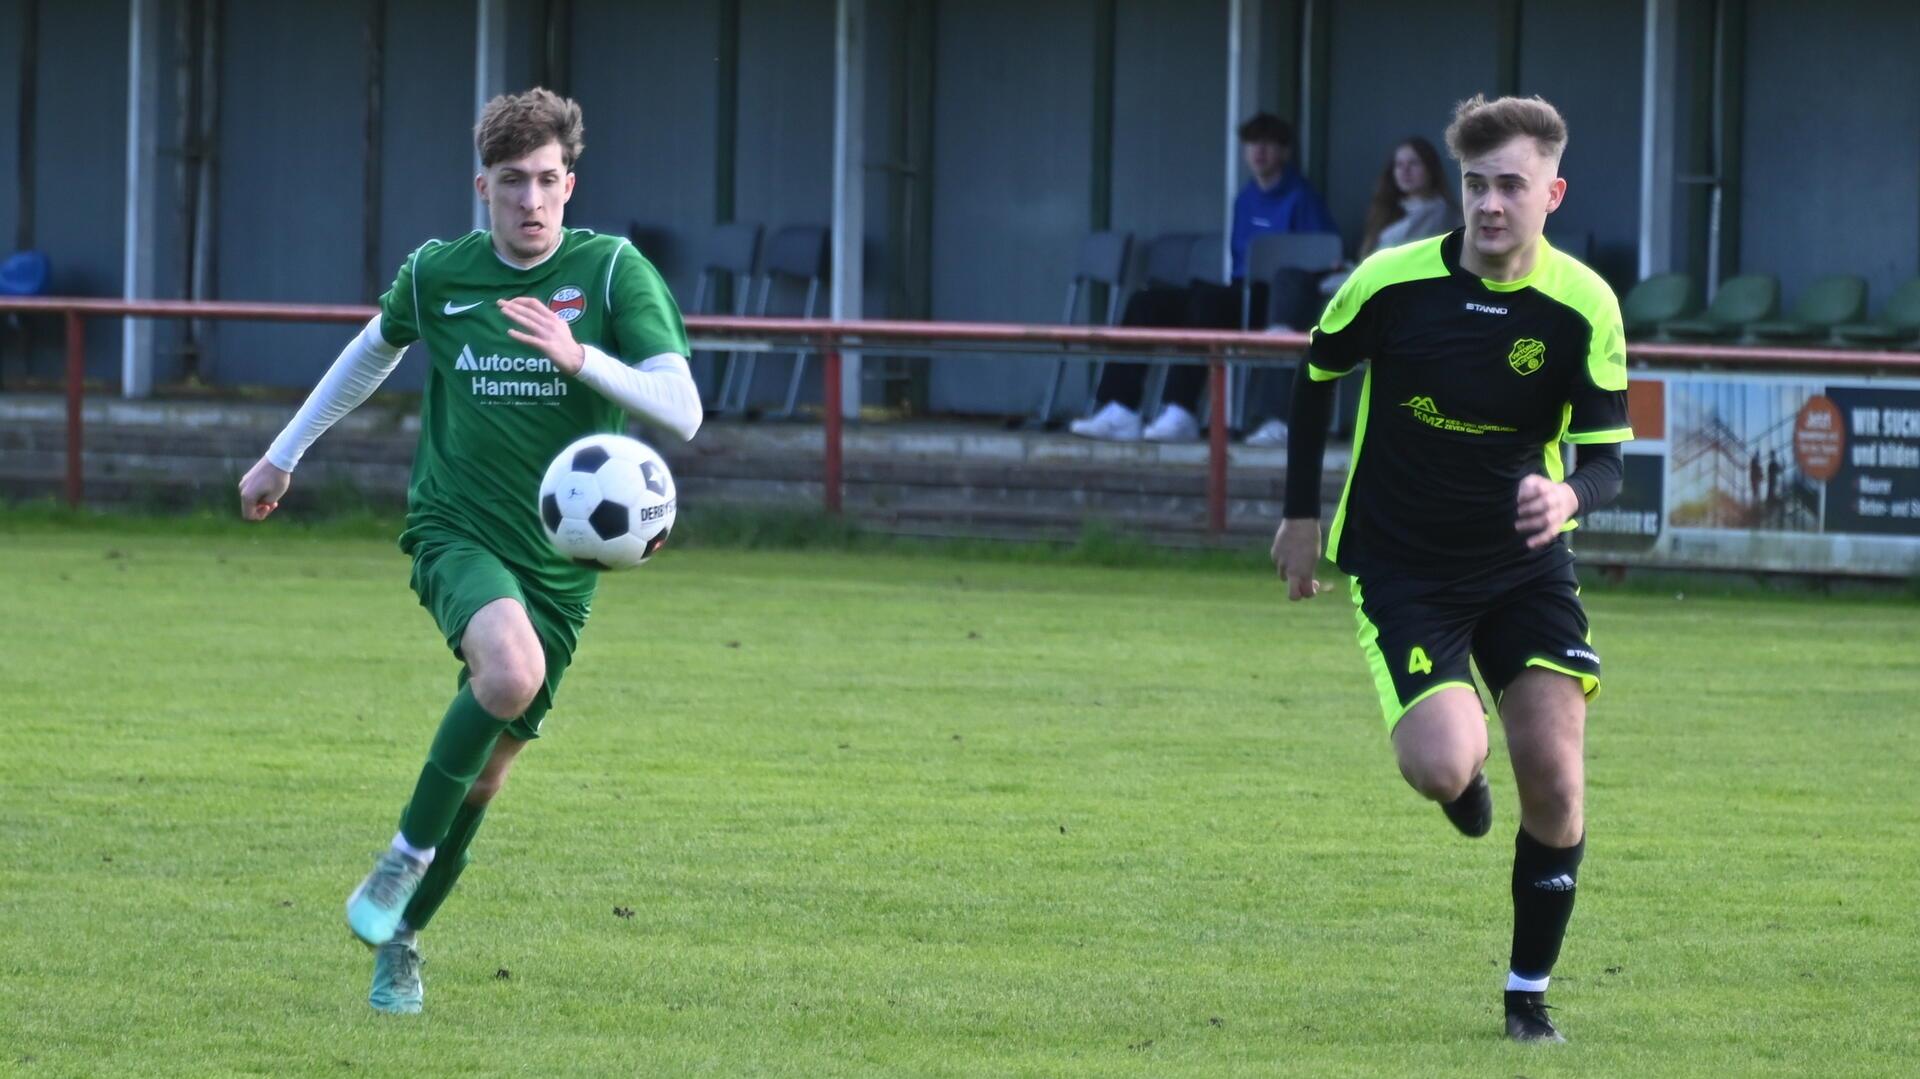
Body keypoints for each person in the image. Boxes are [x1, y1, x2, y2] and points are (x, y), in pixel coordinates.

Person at [235, 88, 702, 1015]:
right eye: (512, 183)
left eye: (547, 182)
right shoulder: (438, 274)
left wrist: (581, 361)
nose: (531, 202)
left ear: (571, 183)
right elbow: (370, 353)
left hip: (563, 565)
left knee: (486, 772)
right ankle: (399, 858)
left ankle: (402, 938)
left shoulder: (611, 273)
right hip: (455, 528)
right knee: (510, 671)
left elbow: (681, 410)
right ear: (480, 185)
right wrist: (282, 453)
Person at [1271, 94, 1631, 1044]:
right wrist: (1300, 516)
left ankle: (1527, 996)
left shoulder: (1583, 305)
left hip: (1522, 568)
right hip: (1403, 568)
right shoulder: (1390, 282)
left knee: (1555, 774)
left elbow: (1606, 461)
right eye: (1476, 184)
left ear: (1551, 193)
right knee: (1439, 763)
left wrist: (1569, 499)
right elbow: (1314, 379)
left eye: (1511, 185)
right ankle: (1460, 776)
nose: (1490, 203)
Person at [1071, 113, 1335, 443]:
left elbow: (1323, 255)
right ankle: (1120, 408)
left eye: (1268, 144)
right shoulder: (1246, 197)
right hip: (1238, 291)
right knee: (1146, 302)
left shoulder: (1302, 197)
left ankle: (1181, 410)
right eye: (1252, 144)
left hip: (1271, 301)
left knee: (1207, 300)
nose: (1259, 152)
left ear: (1284, 152)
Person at [1244, 136, 1462, 448]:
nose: (1405, 171)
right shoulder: (1393, 212)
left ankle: (1279, 411)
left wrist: (1352, 274)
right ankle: (1282, 337)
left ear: (1431, 169)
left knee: (1296, 305)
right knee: (1288, 279)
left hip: (1390, 301)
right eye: (1399, 164)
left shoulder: (1438, 212)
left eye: (1414, 163)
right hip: (1362, 284)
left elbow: (1400, 265)